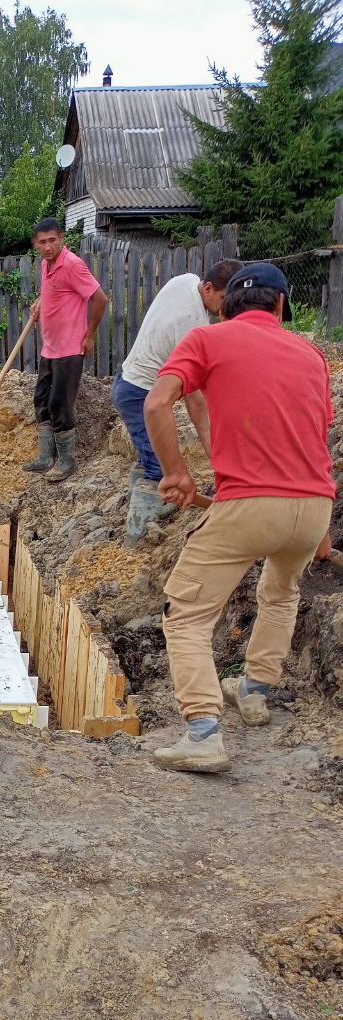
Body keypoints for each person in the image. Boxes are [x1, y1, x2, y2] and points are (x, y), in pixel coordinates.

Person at [143, 262, 335, 774]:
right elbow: (318, 444)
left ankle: (203, 731)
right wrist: (324, 529)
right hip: (315, 506)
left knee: (185, 614)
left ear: (225, 305)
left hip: (249, 504)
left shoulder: (207, 340)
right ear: (279, 306)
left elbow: (158, 404)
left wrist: (177, 475)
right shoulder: (313, 355)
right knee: (282, 592)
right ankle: (253, 692)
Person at [112, 259, 242, 545]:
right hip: (139, 392)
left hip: (128, 379)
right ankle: (137, 540)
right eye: (222, 300)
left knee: (152, 455)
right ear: (208, 288)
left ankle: (143, 494)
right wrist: (215, 455)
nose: (224, 309)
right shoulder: (190, 327)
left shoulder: (185, 280)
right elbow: (195, 400)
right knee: (161, 468)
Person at [25, 217, 107, 482]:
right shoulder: (46, 265)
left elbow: (99, 298)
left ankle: (67, 461)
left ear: (61, 239)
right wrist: (40, 302)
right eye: (42, 242)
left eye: (52, 240)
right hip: (50, 347)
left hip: (70, 349)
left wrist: (89, 335)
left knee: (60, 403)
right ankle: (45, 457)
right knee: (41, 400)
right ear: (35, 245)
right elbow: (53, 291)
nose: (48, 246)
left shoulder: (72, 265)